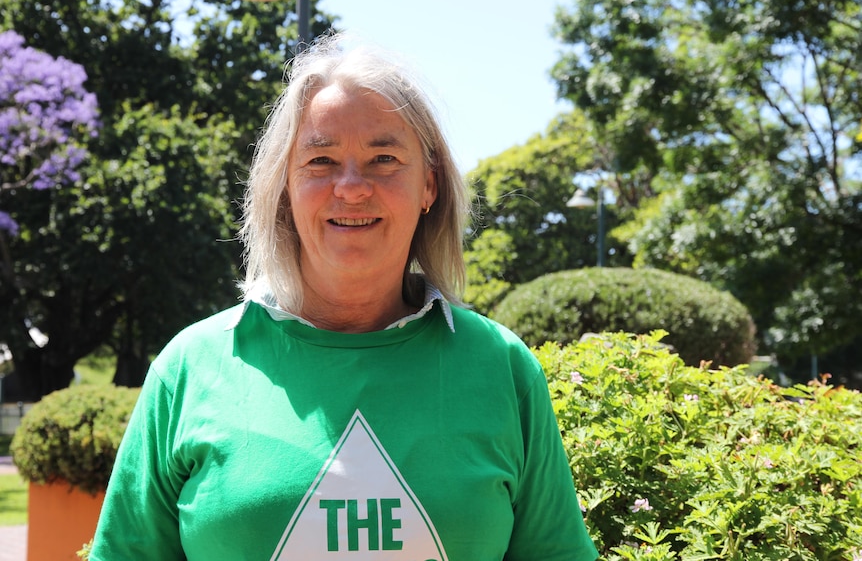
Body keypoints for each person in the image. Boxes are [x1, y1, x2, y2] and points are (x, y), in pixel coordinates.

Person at [89, 34, 598, 561]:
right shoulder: (191, 368)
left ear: (429, 185)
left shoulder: (501, 367)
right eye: (321, 160)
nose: (352, 187)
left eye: (383, 158)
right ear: (284, 186)